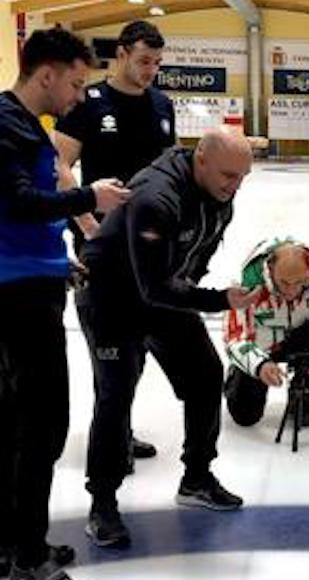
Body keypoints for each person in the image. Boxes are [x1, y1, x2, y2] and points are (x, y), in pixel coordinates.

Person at [77, 127, 259, 548]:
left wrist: (197, 291)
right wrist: (220, 301)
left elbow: (190, 262)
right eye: (228, 175)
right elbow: (152, 287)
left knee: (206, 376)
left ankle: (197, 478)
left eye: (242, 177)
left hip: (160, 295)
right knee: (116, 395)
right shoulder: (156, 198)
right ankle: (102, 503)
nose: (234, 186)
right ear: (201, 160)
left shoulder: (219, 197)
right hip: (110, 300)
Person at [0, 28, 131, 580]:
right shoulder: (6, 124)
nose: (80, 96)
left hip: (35, 282)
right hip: (18, 297)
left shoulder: (26, 124)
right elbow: (17, 203)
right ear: (46, 74)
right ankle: (24, 556)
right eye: (75, 84)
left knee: (23, 426)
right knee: (41, 427)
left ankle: (18, 543)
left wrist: (61, 260)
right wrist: (89, 197)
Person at [53, 19, 174, 470]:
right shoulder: (89, 102)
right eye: (144, 61)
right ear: (121, 54)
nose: (150, 71)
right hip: (103, 249)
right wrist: (87, 224)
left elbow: (170, 172)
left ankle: (119, 427)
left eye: (157, 64)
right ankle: (109, 439)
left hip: (150, 249)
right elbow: (58, 164)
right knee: (108, 350)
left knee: (137, 347)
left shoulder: (162, 104)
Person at [224, 239, 309, 427]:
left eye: (298, 283)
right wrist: (260, 365)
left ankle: (300, 391)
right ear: (271, 270)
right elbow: (235, 337)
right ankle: (236, 376)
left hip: (298, 340)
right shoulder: (246, 285)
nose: (291, 290)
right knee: (245, 416)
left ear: (307, 272)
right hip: (259, 347)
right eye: (284, 282)